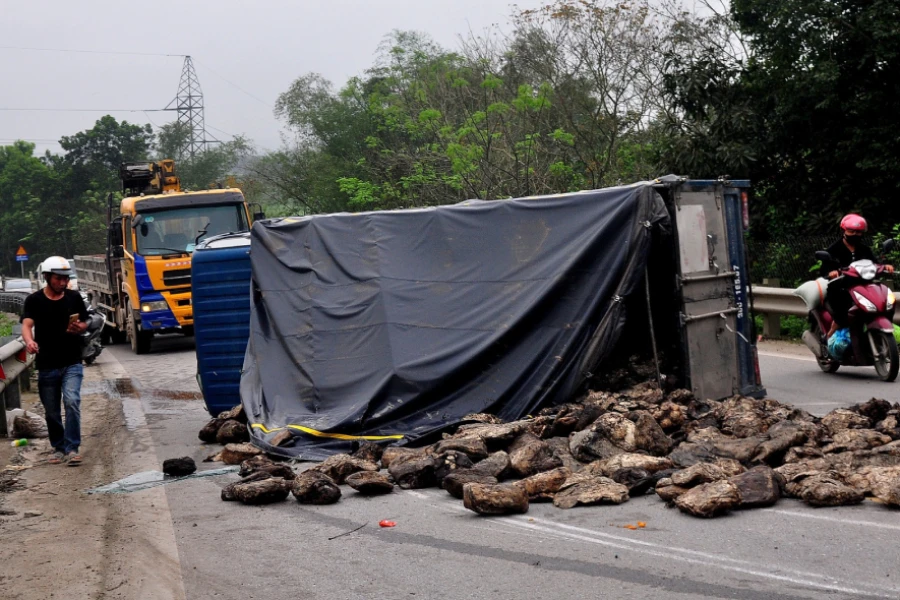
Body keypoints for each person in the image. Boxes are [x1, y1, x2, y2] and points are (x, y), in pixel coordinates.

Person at [21, 256, 88, 466]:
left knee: (72, 401)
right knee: (51, 411)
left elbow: (85, 321)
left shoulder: (74, 297)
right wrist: (30, 341)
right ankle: (58, 447)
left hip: (72, 362)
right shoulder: (34, 301)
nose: (63, 283)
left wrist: (80, 327)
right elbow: (26, 325)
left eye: (65, 279)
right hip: (47, 364)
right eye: (59, 279)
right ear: (47, 277)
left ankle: (72, 448)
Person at [820, 214, 894, 337]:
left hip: (864, 287)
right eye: (851, 231)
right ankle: (830, 334)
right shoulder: (834, 249)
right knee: (842, 315)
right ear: (843, 231)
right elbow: (825, 269)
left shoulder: (864, 249)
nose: (855, 234)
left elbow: (874, 263)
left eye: (858, 232)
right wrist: (832, 272)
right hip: (842, 288)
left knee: (884, 301)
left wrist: (885, 267)